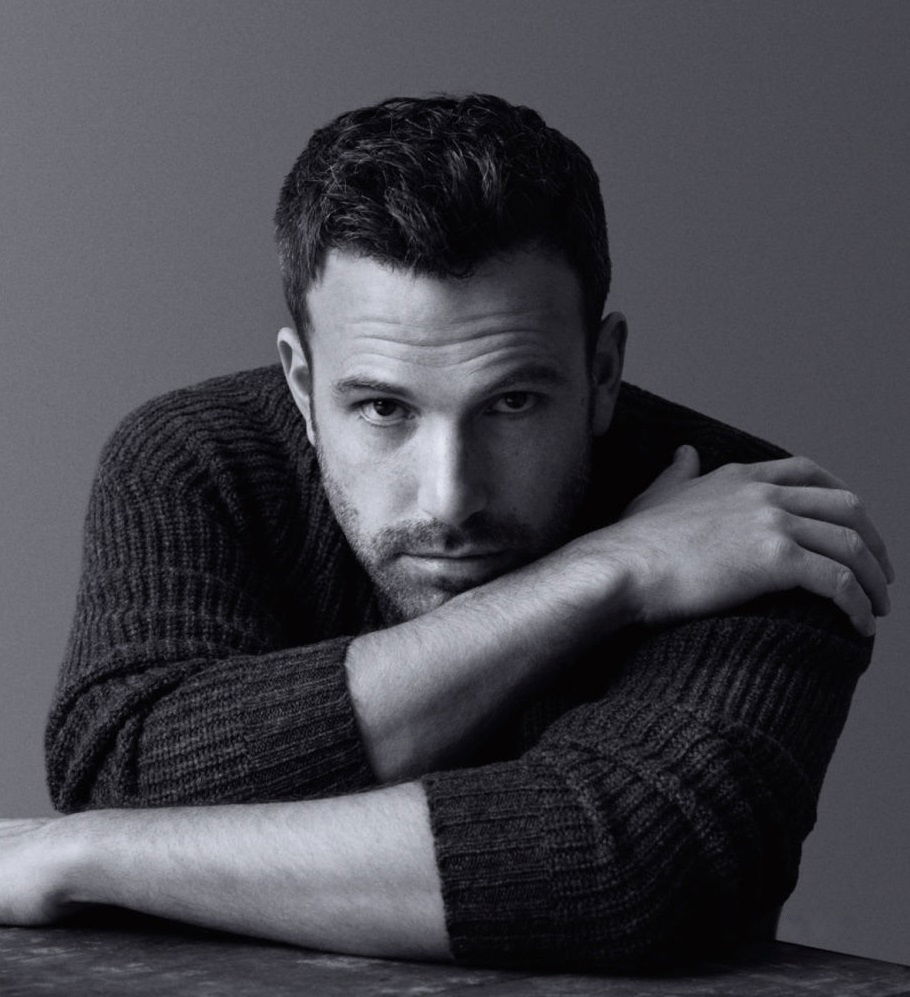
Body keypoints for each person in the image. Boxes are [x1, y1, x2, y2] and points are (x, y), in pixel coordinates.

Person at [0, 94, 894, 972]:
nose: (451, 495)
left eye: (513, 402)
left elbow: (627, 865)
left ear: (603, 372)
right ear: (302, 387)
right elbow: (131, 767)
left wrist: (88, 855)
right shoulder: (201, 459)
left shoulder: (752, 521)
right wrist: (611, 570)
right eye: (384, 408)